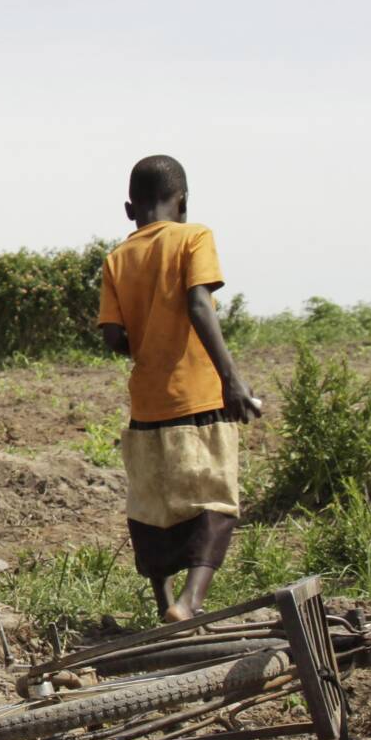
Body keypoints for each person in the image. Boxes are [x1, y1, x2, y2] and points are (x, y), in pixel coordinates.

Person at [97, 155, 261, 624]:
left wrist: (147, 340)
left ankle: (163, 602)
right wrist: (231, 377)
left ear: (130, 210)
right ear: (183, 201)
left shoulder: (117, 258)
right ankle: (189, 603)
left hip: (146, 404)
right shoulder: (194, 237)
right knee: (211, 497)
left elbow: (113, 338)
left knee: (154, 503)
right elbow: (198, 303)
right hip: (199, 396)